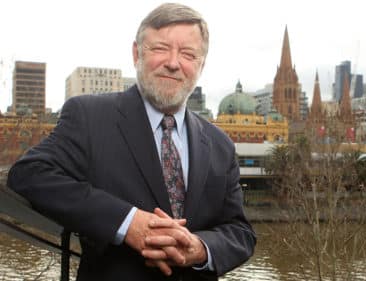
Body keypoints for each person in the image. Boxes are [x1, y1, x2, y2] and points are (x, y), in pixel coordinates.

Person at [7, 3, 256, 281]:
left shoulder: (220, 143)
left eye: (187, 54)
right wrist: (127, 222)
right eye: (160, 48)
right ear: (137, 53)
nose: (173, 63)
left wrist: (200, 249)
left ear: (201, 64)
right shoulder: (89, 115)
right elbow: (29, 175)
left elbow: (240, 232)